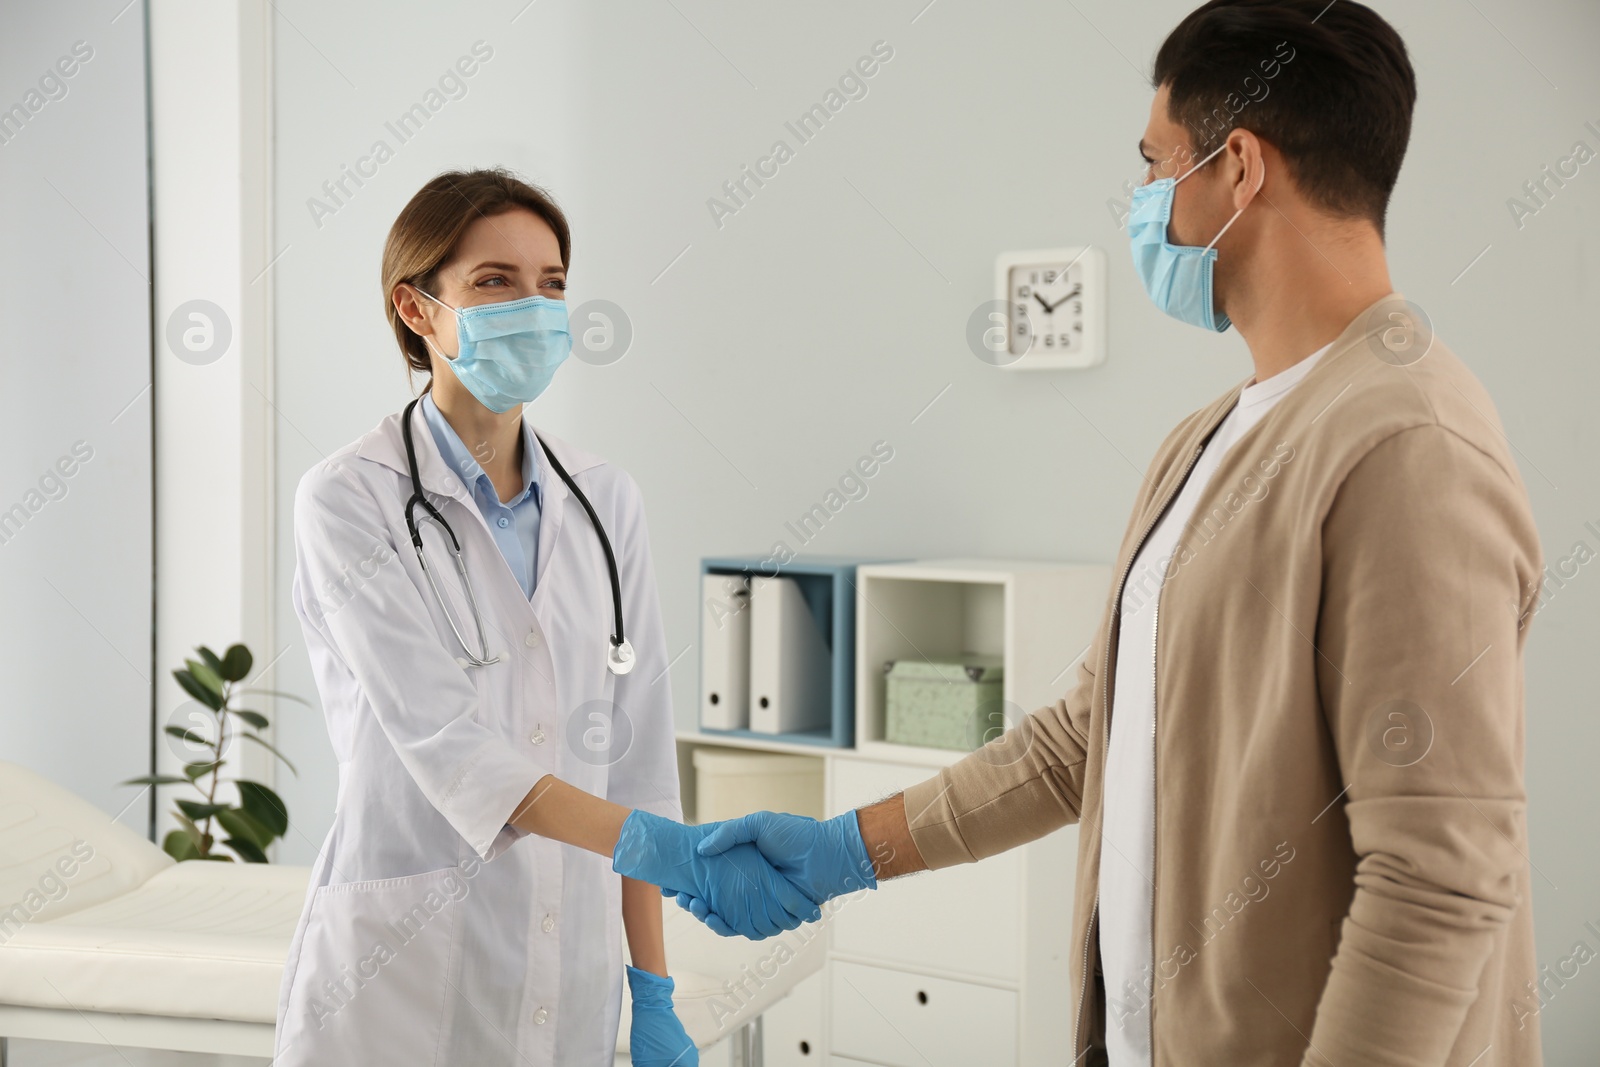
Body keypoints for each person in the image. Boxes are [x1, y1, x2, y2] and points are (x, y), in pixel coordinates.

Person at [668, 3, 1545, 1065]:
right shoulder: (1209, 439)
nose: (1141, 202)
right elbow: (1079, 739)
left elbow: (1439, 876)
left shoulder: (1408, 441)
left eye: (1153, 164)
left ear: (1238, 169)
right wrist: (839, 853)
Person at [274, 168, 815, 1066]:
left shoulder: (605, 499)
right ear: (418, 310)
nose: (535, 304)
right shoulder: (348, 498)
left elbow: (636, 761)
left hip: (573, 971)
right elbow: (450, 746)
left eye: (553, 283)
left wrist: (653, 984)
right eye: (496, 281)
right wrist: (668, 850)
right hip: (397, 970)